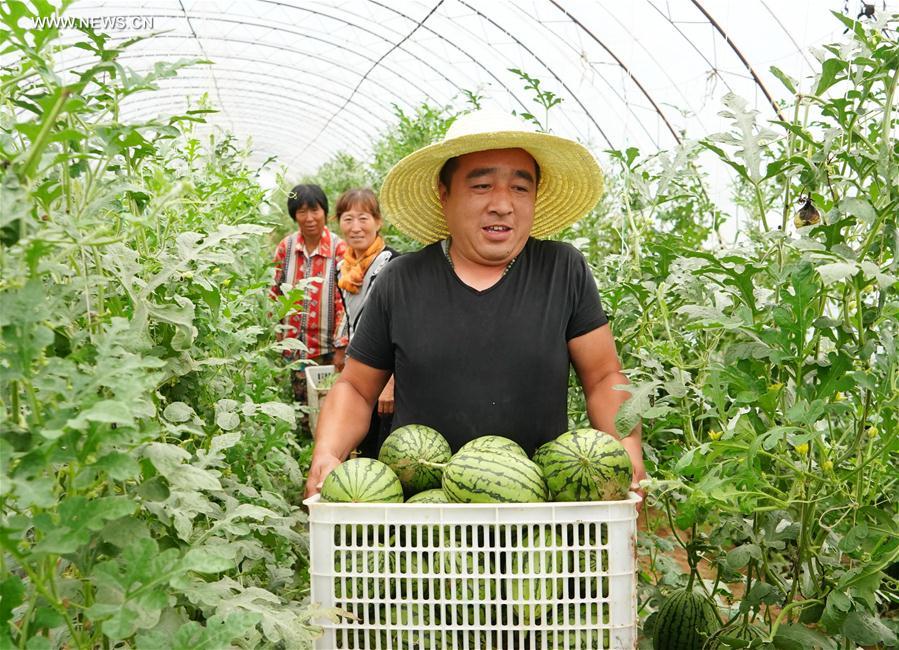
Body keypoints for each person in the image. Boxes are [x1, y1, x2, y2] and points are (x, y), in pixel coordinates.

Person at [304, 109, 646, 500]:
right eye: (482, 186)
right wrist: (327, 451)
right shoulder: (401, 280)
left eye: (520, 188)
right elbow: (356, 389)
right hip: (425, 517)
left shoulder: (562, 270)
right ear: (444, 195)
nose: (503, 204)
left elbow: (603, 376)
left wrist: (628, 449)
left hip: (540, 515)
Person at [334, 188, 398, 456]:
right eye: (348, 219)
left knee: (384, 447)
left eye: (363, 218)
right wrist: (339, 351)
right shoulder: (343, 268)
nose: (355, 227)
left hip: (385, 375)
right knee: (363, 441)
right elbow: (347, 313)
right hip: (359, 369)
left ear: (378, 222)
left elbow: (401, 327)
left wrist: (391, 382)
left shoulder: (392, 264)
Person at [270, 183, 347, 404]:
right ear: (294, 215)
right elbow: (274, 292)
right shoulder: (287, 247)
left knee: (325, 403)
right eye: (302, 211)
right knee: (298, 405)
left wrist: (341, 346)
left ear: (325, 211)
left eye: (315, 210)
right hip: (292, 345)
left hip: (325, 348)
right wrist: (274, 333)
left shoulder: (339, 249)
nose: (309, 218)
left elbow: (344, 303)